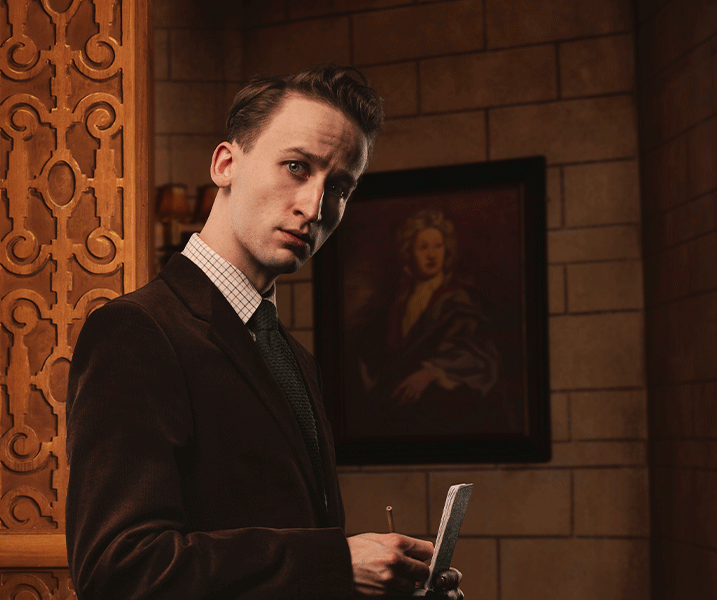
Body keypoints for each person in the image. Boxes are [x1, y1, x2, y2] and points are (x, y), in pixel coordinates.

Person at [65, 65, 465, 600]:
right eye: (297, 167)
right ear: (225, 164)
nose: (314, 207)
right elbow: (120, 571)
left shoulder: (293, 358)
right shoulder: (136, 331)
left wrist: (382, 584)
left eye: (339, 187)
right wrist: (336, 563)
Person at [354, 209, 500, 436]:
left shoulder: (459, 300)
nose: (432, 254)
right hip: (398, 417)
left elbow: (478, 356)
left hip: (445, 410)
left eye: (438, 246)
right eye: (423, 247)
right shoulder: (397, 304)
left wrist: (431, 372)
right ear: (409, 253)